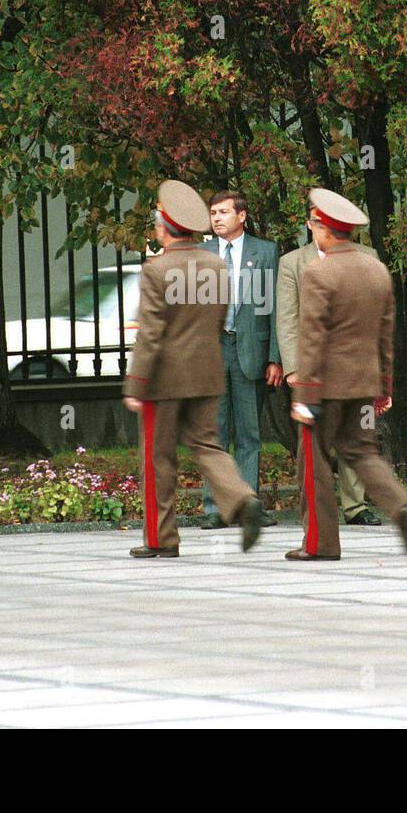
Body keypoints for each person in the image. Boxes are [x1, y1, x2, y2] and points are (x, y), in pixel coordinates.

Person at [122, 180, 264, 558]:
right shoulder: (215, 264)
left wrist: (136, 384)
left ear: (164, 227)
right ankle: (243, 499)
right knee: (208, 446)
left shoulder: (157, 269)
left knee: (158, 458)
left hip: (164, 379)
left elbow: (151, 333)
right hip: (207, 371)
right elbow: (218, 320)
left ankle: (161, 538)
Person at [287, 188, 407, 560]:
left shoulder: (318, 272)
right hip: (363, 383)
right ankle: (400, 506)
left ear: (326, 229)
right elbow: (385, 334)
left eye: (314, 224)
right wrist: (384, 387)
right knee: (361, 451)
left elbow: (313, 338)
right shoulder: (376, 269)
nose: (312, 229)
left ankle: (320, 543)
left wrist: (304, 398)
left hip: (325, 387)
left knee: (312, 464)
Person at [278, 232, 384, 526]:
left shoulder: (368, 257)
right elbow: (288, 319)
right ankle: (319, 514)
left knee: (357, 438)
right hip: (312, 370)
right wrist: (293, 368)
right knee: (315, 446)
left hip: (355, 368)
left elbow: (376, 318)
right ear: (310, 224)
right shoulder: (293, 262)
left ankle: (356, 506)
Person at [198, 190, 281, 529]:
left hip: (251, 352)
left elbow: (275, 307)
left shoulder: (266, 251)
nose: (216, 218)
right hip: (214, 351)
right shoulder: (201, 253)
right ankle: (215, 507)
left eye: (223, 212)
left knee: (249, 434)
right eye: (213, 213)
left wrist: (275, 358)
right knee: (215, 433)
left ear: (242, 216)